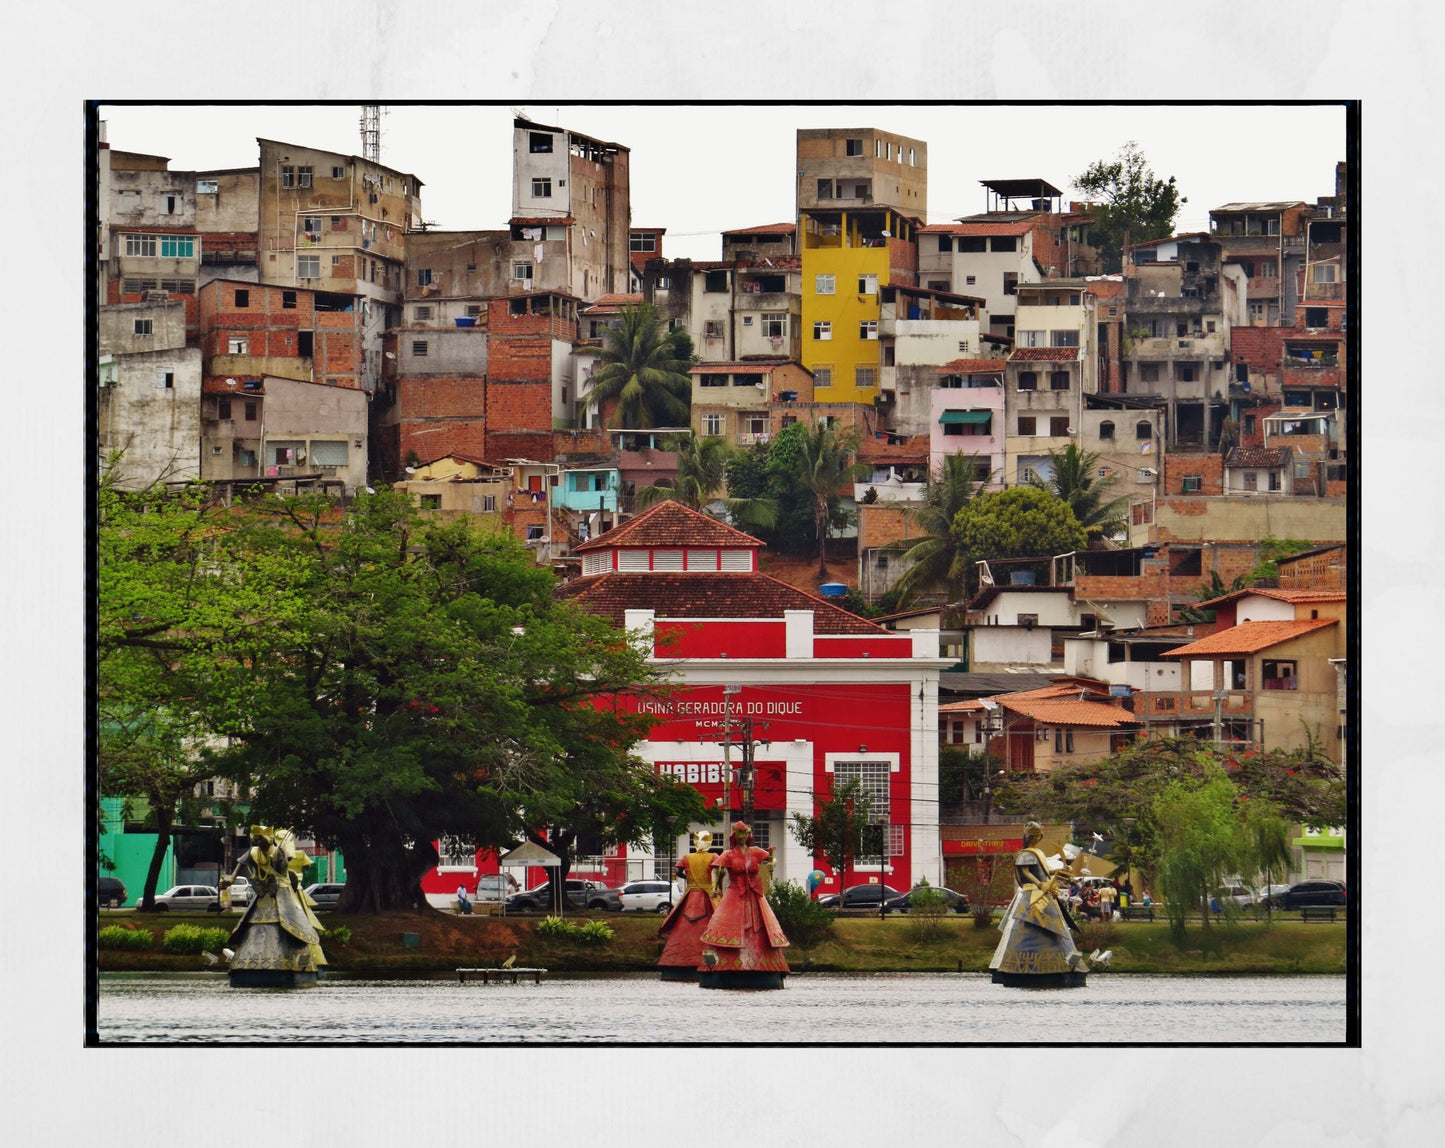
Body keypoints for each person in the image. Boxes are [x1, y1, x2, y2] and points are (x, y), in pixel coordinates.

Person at [224, 826, 328, 985]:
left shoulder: (277, 852)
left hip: (281, 891)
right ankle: (247, 965)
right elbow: (241, 864)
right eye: (257, 839)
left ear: (269, 839)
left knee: (291, 924)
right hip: (262, 894)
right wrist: (230, 879)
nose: (259, 843)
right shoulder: (253, 852)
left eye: (262, 839)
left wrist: (279, 860)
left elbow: (284, 870)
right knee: (253, 925)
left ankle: (296, 965)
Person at [989, 821, 1085, 986]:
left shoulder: (1038, 853)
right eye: (1036, 835)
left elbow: (1045, 872)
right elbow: (1025, 872)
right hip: (1033, 894)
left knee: (1057, 926)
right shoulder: (1025, 854)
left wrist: (1062, 872)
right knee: (1035, 923)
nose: (1038, 838)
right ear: (1032, 836)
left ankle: (1065, 965)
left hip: (1045, 894)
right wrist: (1040, 884)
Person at [698, 821, 790, 989]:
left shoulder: (755, 852)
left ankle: (764, 966)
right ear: (735, 836)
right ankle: (723, 966)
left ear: (748, 836)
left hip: (755, 894)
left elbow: (770, 858)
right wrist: (715, 887)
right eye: (739, 835)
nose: (742, 838)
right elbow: (719, 870)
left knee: (761, 929)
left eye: (745, 835)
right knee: (728, 929)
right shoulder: (729, 854)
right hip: (735, 893)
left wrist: (772, 864)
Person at [657, 831, 720, 980]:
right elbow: (718, 873)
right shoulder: (714, 857)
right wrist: (716, 887)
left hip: (691, 894)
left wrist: (689, 876)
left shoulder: (687, 858)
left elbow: (678, 871)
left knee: (682, 923)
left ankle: (676, 959)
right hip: (707, 892)